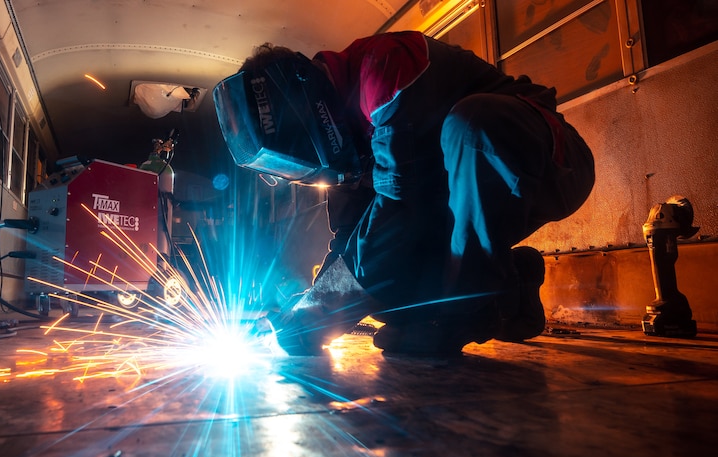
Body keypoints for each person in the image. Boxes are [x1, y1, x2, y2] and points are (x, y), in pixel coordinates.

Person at [213, 31, 595, 356]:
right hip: (466, 197)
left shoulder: (383, 67)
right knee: (389, 296)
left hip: (550, 161)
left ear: (305, 107)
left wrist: (319, 314)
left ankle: (464, 312)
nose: (302, 172)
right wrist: (308, 306)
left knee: (472, 127)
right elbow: (351, 240)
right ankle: (511, 294)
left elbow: (398, 207)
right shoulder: (344, 145)